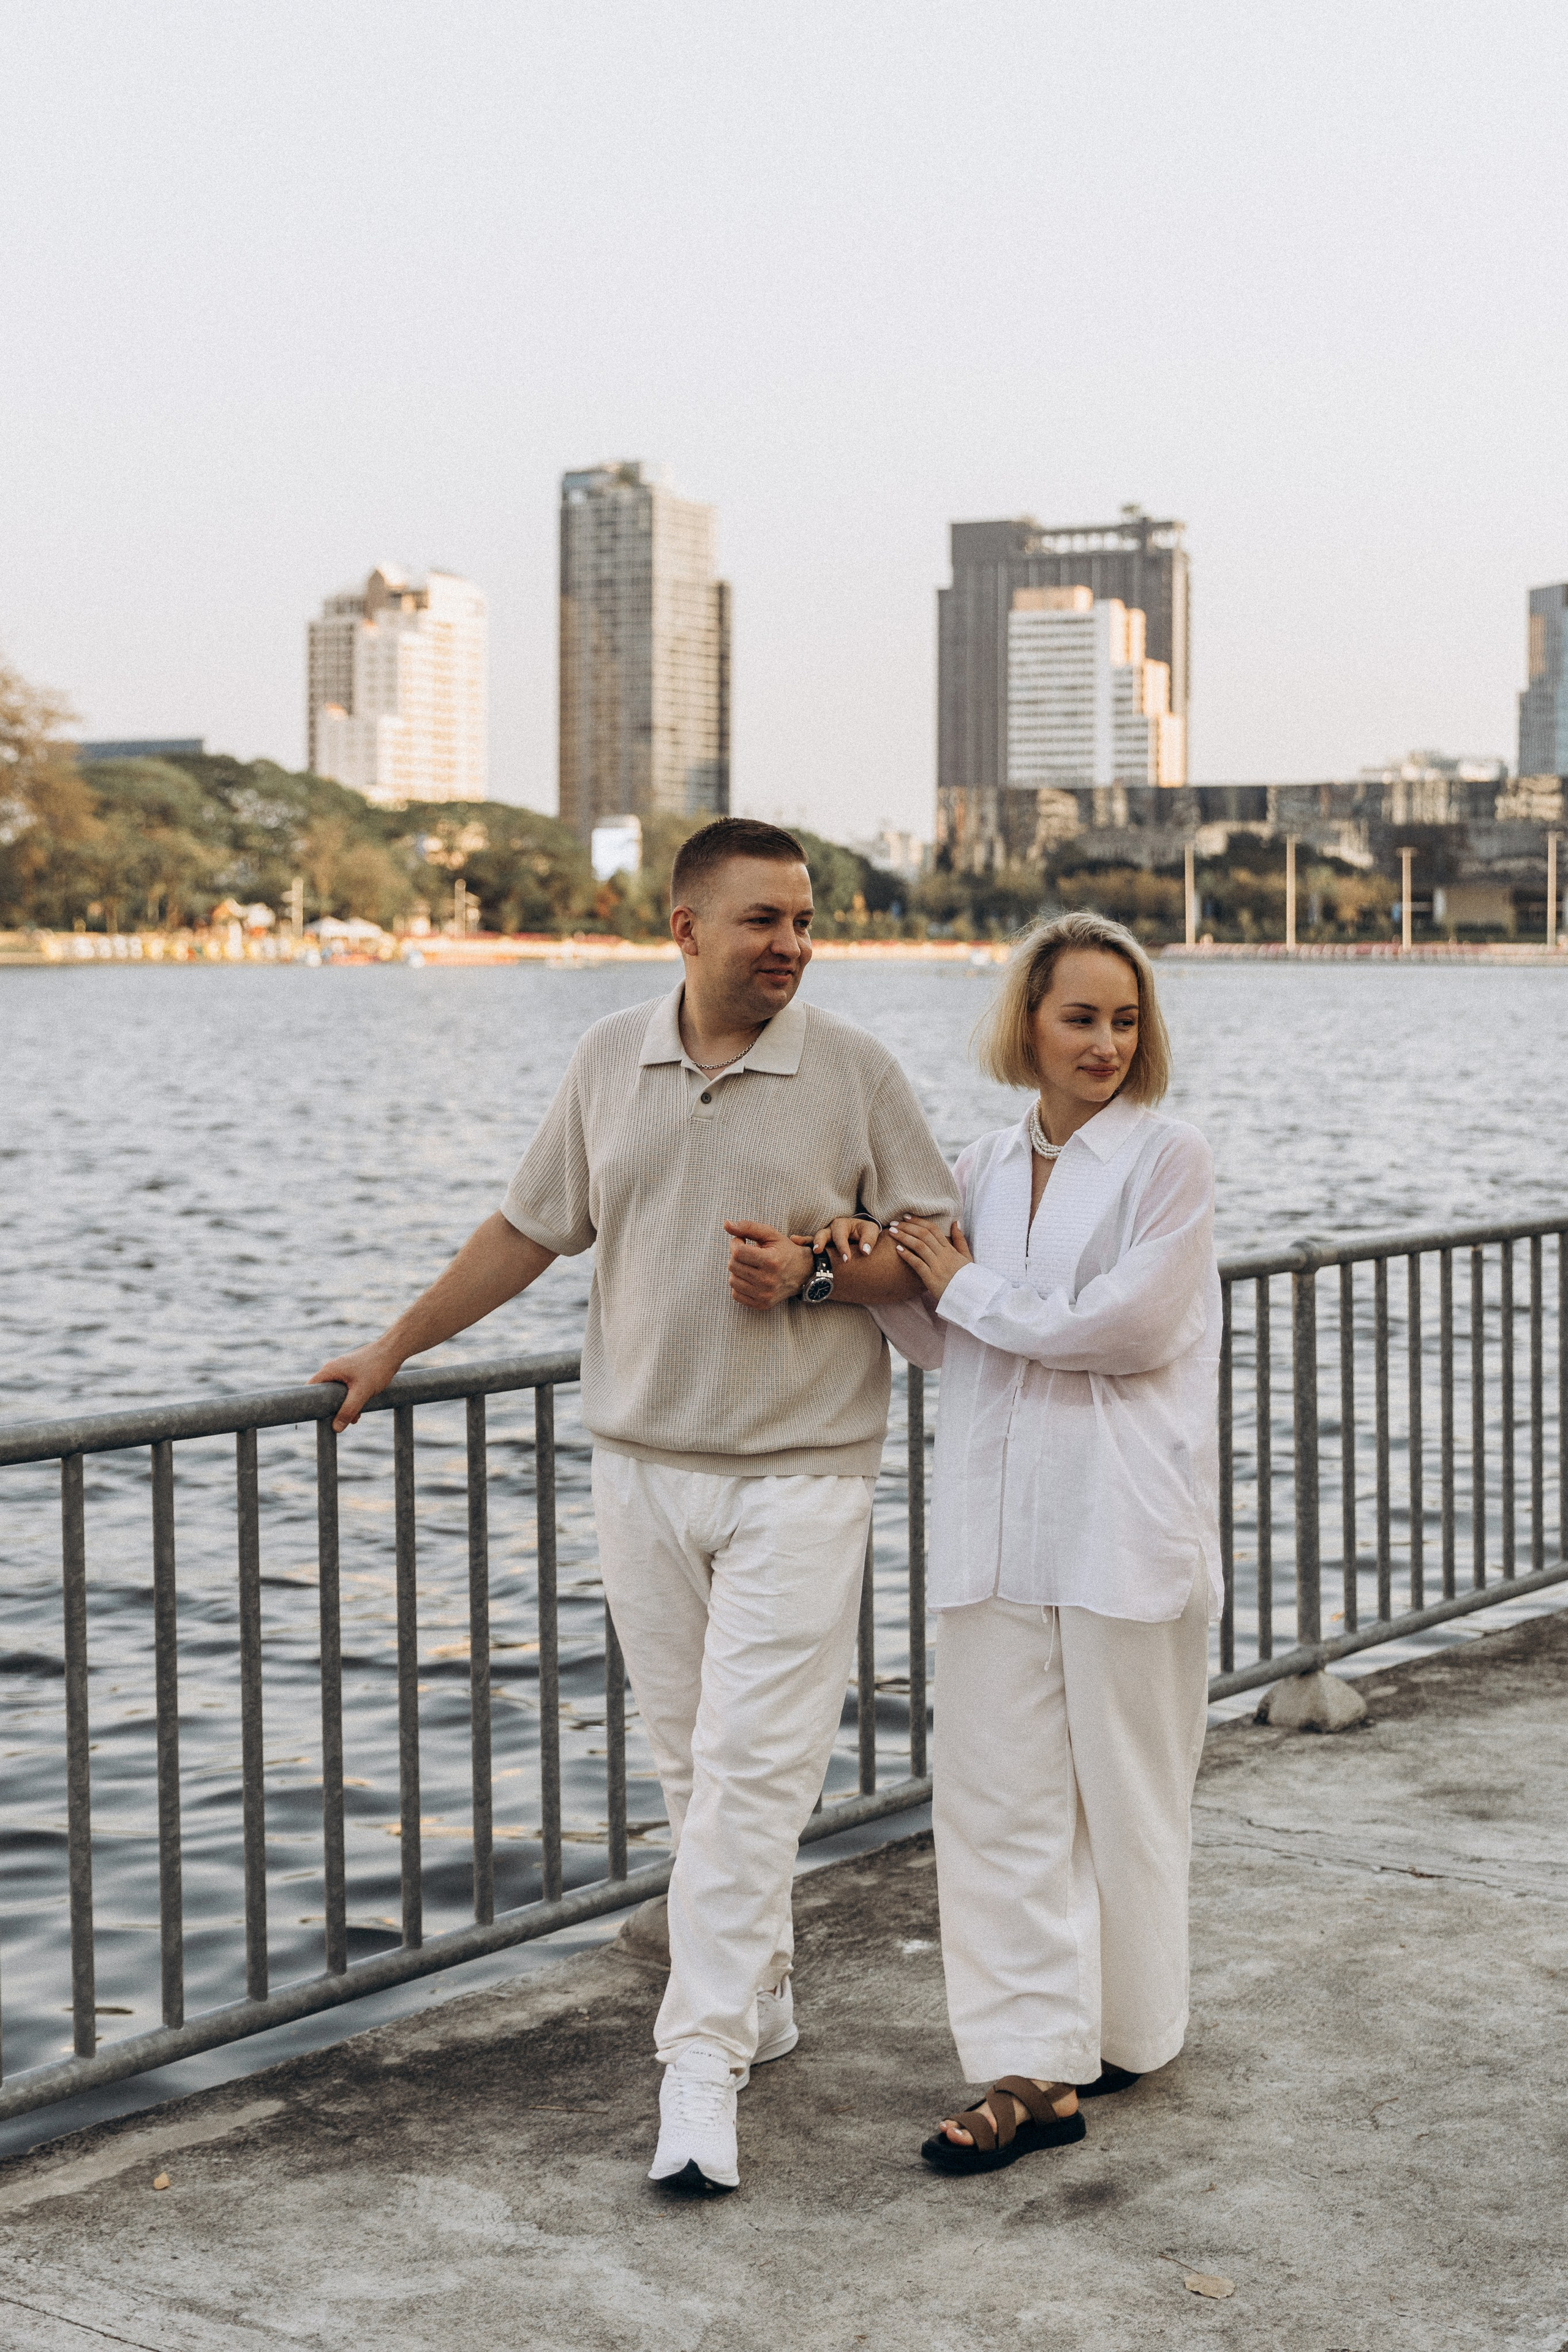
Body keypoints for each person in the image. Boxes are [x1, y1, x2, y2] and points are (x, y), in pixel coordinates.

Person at [311, 816, 957, 2195]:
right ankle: (764, 1996)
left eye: (802, 920)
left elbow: (937, 1252)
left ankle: (701, 2064)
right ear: (684, 929)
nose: (789, 944)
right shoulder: (609, 1057)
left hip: (800, 1474)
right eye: (761, 921)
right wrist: (393, 1346)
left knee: (749, 1780)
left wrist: (826, 1275)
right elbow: (528, 1230)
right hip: (639, 1474)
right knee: (693, 1776)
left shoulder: (855, 1072)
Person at [859, 909, 1221, 2176]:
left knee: (1125, 1791)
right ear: (1027, 1022)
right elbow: (963, 1345)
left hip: (1120, 1518)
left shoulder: (1168, 1160)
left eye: (1124, 1020)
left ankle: (1129, 2029)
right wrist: (883, 1289)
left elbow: (1123, 1327)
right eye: (1079, 1016)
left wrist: (952, 1284)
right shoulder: (975, 1163)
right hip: (993, 1516)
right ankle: (1030, 2069)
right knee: (995, 1796)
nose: (1104, 1041)